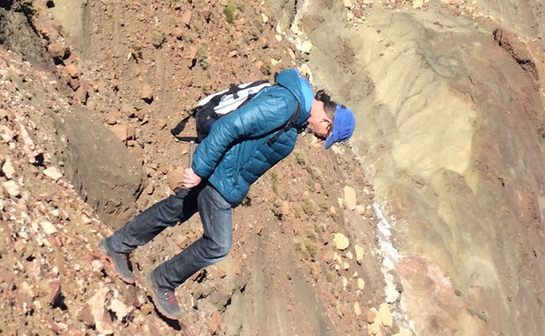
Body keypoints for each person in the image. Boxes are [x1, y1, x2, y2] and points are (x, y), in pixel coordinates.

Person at [98, 68, 355, 321]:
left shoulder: (295, 115)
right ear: (326, 123)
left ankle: (117, 245)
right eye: (325, 136)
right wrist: (199, 169)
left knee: (174, 209)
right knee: (218, 245)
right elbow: (230, 126)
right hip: (219, 177)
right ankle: (163, 281)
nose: (319, 138)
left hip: (222, 174)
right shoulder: (285, 104)